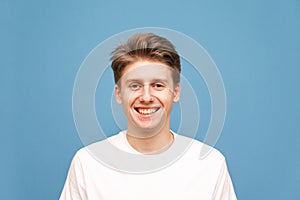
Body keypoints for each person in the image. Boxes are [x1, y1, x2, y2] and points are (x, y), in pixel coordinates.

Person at [60, 33, 237, 200]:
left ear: (175, 92)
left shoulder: (210, 164)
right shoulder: (87, 164)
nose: (146, 97)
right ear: (119, 94)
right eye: (135, 85)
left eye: (158, 85)